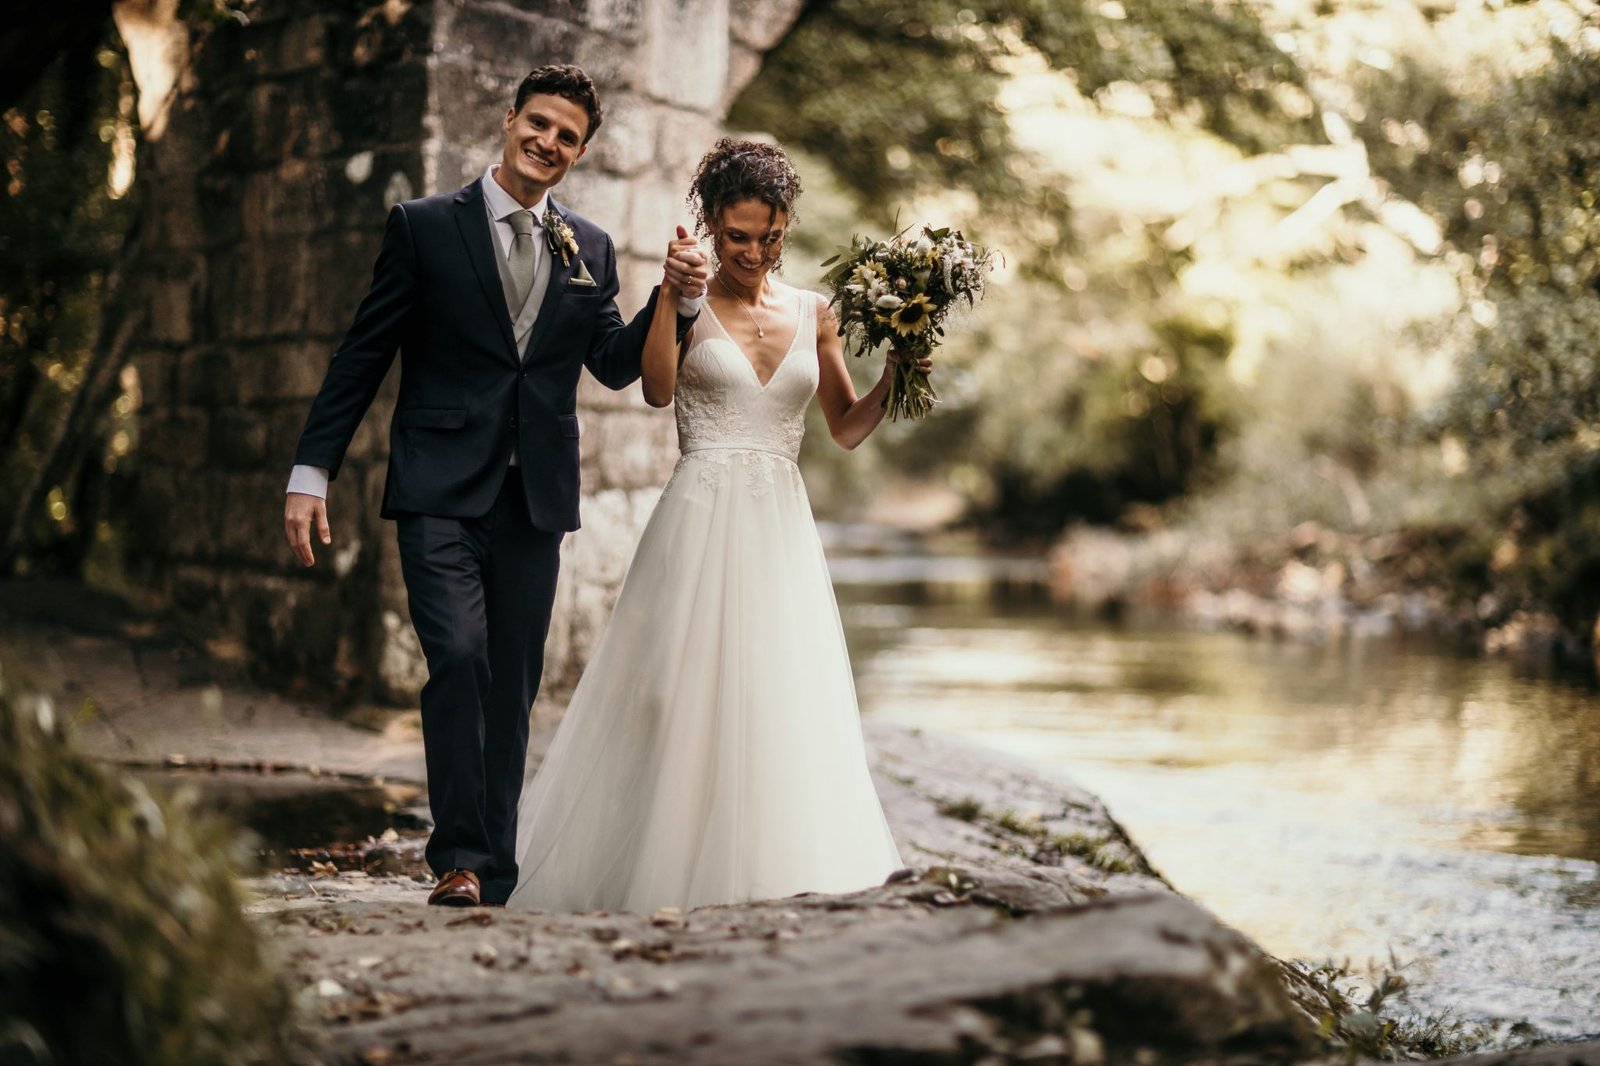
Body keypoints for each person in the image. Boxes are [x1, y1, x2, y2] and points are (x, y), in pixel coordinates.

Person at [282, 65, 708, 908]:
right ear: (509, 119)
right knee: (460, 658)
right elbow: (362, 356)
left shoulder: (586, 247)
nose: (548, 143)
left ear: (579, 154)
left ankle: (495, 872)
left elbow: (618, 366)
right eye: (539, 124)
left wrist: (679, 301)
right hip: (438, 485)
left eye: (567, 137)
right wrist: (311, 470)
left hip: (534, 497)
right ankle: (459, 856)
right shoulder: (423, 227)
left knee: (512, 683)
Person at [507, 138, 924, 913]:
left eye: (769, 237)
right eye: (737, 237)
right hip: (696, 521)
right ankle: (657, 865)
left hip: (779, 532)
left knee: (778, 692)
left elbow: (846, 428)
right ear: (709, 224)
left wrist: (898, 372)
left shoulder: (815, 314)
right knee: (671, 694)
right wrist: (672, 297)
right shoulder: (689, 300)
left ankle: (770, 870)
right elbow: (658, 392)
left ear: (786, 227)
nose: (754, 253)